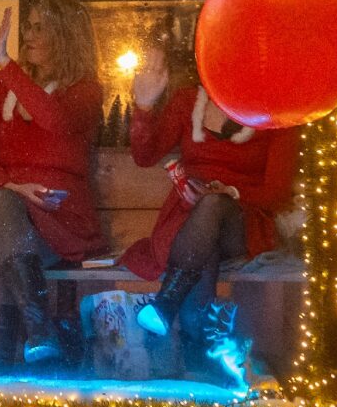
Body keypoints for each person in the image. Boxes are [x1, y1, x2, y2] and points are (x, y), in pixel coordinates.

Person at [120, 54, 297, 379]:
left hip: (243, 222)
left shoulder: (276, 113)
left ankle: (167, 303)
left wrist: (230, 192)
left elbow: (278, 193)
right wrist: (143, 106)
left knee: (213, 206)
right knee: (204, 243)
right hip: (187, 220)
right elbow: (145, 156)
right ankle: (198, 352)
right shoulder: (188, 100)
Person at [0, 0, 101, 367]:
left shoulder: (85, 91)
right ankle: (39, 330)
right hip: (2, 209)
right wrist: (15, 188)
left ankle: (1, 366)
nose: (29, 36)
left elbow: (54, 119)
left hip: (57, 221)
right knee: (0, 204)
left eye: (41, 28)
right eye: (29, 27)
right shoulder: (0, 85)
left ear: (65, 35)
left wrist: (8, 66)